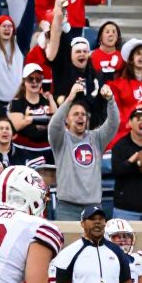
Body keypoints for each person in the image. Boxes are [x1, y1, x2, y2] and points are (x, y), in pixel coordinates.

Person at [48, 81, 118, 220]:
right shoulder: (61, 139)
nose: (80, 116)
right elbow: (54, 125)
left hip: (94, 207)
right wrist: (69, 100)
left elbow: (113, 124)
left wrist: (111, 100)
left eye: (83, 114)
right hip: (67, 208)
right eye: (75, 114)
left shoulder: (96, 138)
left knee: (95, 243)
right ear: (66, 120)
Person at [0, 117, 45, 207]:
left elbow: (37, 175)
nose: (4, 131)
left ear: (13, 134)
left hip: (18, 195)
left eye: (7, 128)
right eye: (1, 128)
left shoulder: (23, 154)